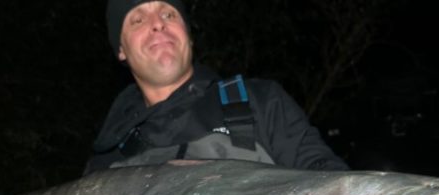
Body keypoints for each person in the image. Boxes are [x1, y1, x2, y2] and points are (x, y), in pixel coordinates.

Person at [85, 0, 349, 174]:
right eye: (138, 20)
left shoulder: (257, 100)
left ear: (188, 34)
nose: (157, 23)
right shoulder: (108, 156)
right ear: (120, 49)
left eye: (168, 13)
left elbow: (329, 178)